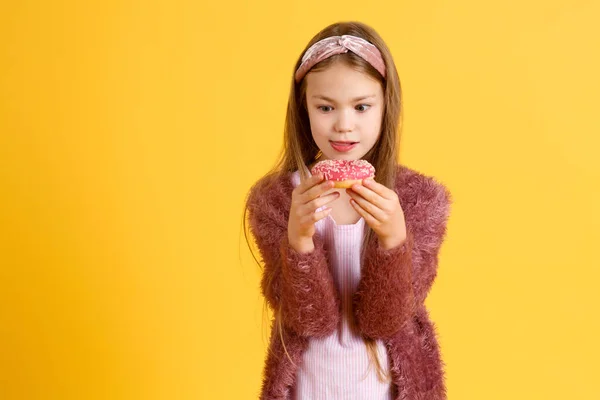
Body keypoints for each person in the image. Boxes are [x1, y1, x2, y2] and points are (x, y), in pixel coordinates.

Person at [243, 20, 453, 400]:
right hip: (309, 386)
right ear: (303, 108)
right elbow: (311, 321)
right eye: (325, 107)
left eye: (361, 106)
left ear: (386, 105)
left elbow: (383, 320)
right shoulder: (275, 200)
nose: (343, 125)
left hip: (387, 388)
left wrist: (394, 240)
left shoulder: (420, 200)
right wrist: (299, 242)